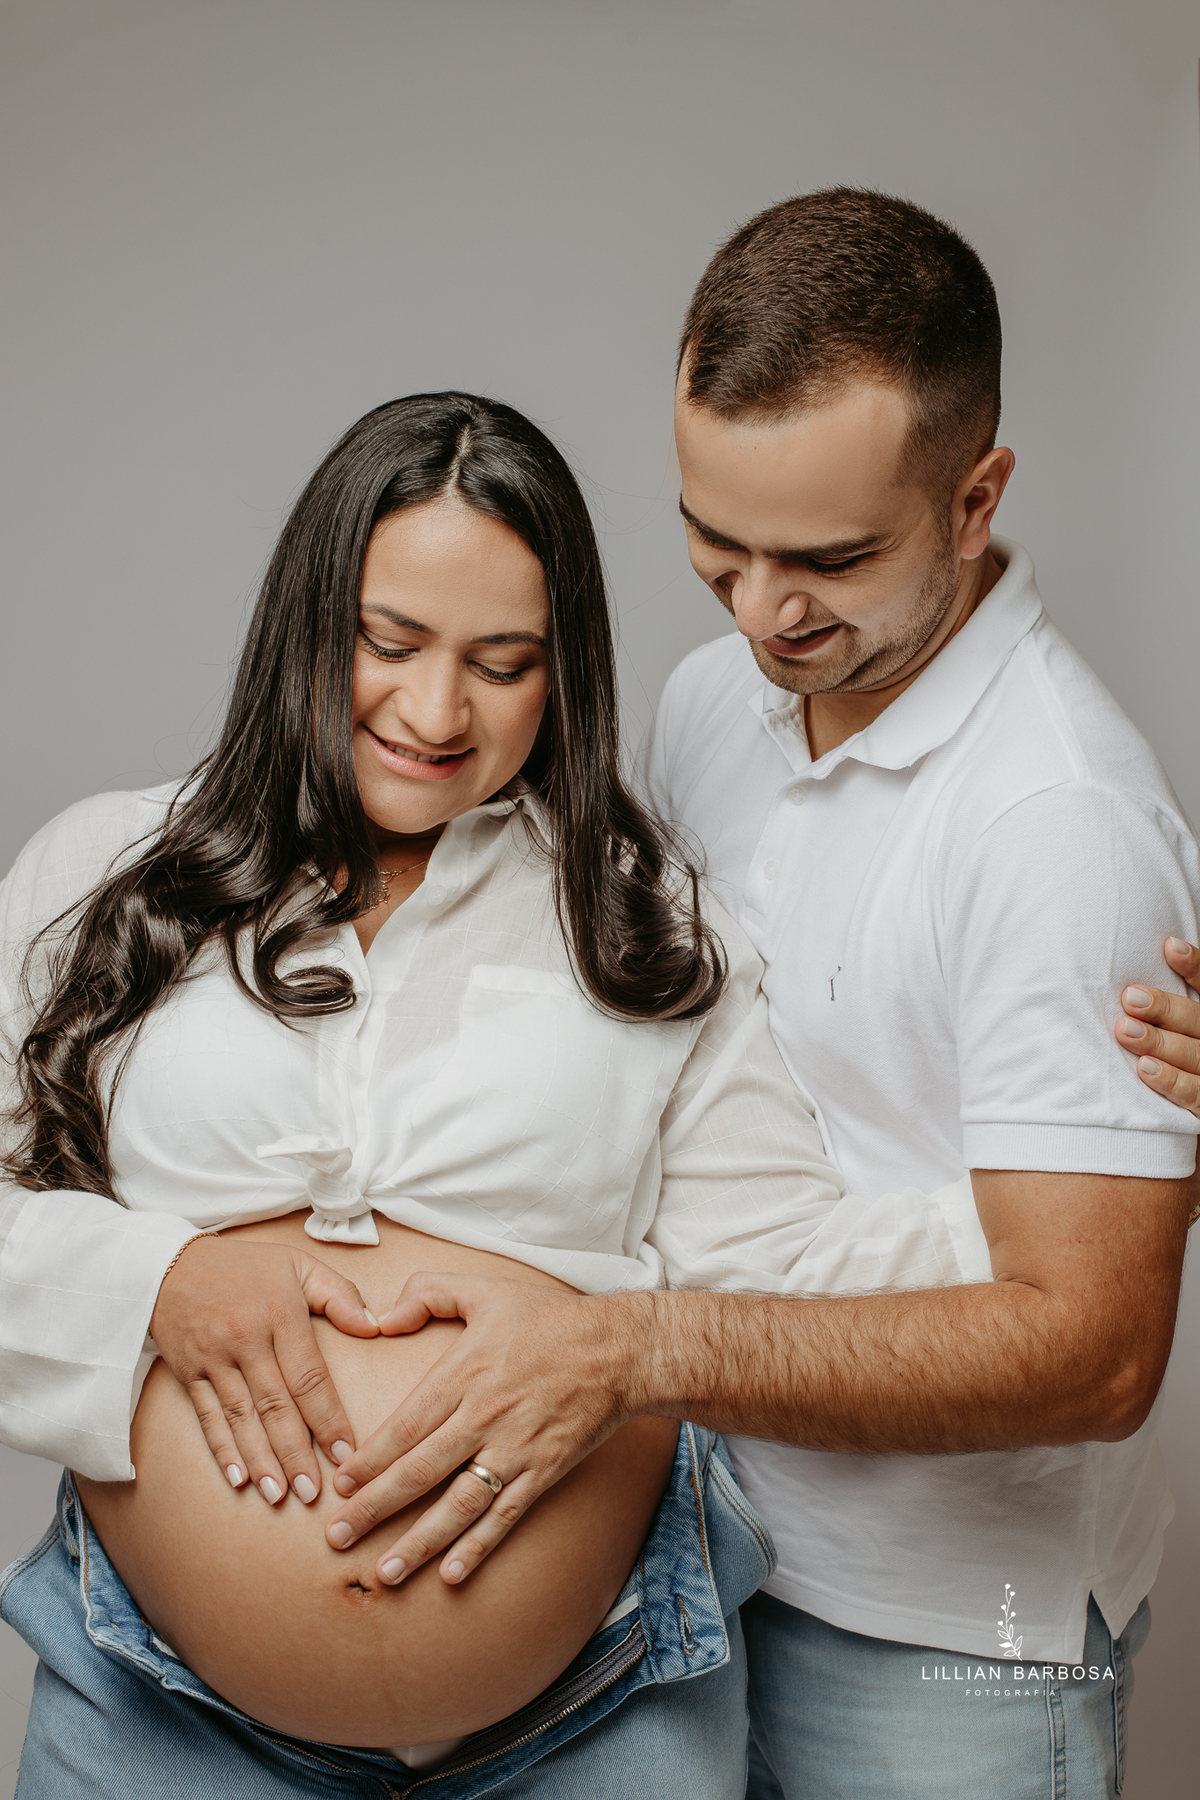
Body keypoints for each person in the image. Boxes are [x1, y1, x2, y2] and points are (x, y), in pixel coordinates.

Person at [317, 194, 1200, 1800]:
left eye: (831, 559)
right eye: (715, 545)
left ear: (978, 493)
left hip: (957, 1634)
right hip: (703, 1567)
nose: (761, 613)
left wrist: (632, 1350)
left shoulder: (1063, 828)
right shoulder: (713, 699)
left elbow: (1093, 1353)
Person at [0, 390, 986, 1798]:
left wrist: (1113, 1174)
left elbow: (786, 1269)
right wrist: (150, 1282)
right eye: (386, 642)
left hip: (600, 1716)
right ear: (306, 617)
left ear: (563, 672)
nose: (434, 711)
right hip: (160, 1714)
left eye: (503, 662)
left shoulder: (650, 926)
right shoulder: (102, 875)